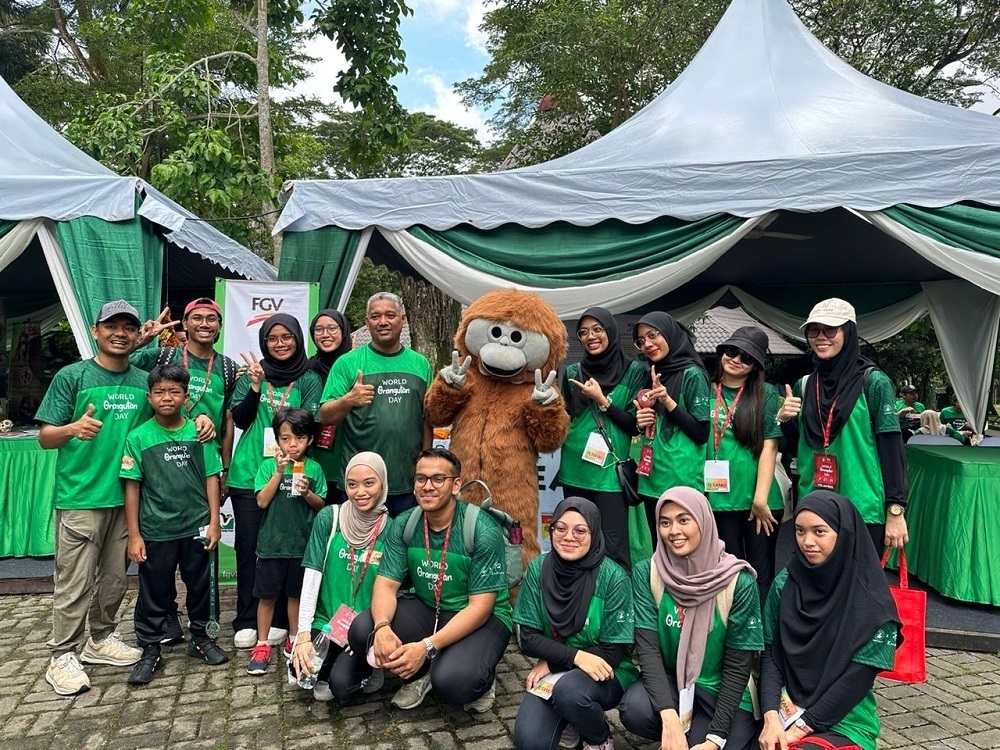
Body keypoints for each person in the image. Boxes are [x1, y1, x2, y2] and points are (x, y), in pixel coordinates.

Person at [36, 300, 151, 695]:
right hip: (81, 497)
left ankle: (100, 639)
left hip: (126, 499)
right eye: (111, 326)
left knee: (116, 580)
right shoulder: (72, 376)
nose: (120, 332)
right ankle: (62, 656)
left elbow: (166, 418)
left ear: (137, 335)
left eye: (128, 327)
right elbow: (44, 437)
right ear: (95, 330)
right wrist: (72, 428)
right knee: (74, 582)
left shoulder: (142, 380)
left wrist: (201, 418)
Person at [347, 447, 512, 713]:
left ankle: (482, 678)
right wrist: (382, 627)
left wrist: (426, 645)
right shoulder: (404, 524)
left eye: (438, 479)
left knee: (455, 683)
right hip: (429, 607)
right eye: (420, 479)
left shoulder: (481, 528)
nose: (427, 486)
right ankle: (419, 675)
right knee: (361, 631)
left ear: (456, 484)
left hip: (479, 615)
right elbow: (386, 585)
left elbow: (480, 607)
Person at [130, 297, 240, 645]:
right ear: (185, 323)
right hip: (163, 459)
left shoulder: (227, 368)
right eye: (197, 318)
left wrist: (224, 469)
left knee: (195, 556)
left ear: (220, 327)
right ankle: (165, 620)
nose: (204, 324)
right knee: (161, 556)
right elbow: (123, 362)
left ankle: (199, 628)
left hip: (203, 462)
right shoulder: (163, 356)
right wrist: (143, 340)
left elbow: (227, 421)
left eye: (212, 319)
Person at [619, 486, 761, 750]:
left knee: (715, 743)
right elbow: (647, 650)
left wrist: (715, 737)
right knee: (634, 708)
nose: (674, 531)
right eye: (665, 522)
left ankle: (711, 731)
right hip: (675, 683)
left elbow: (738, 665)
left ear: (704, 521)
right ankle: (680, 730)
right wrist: (669, 718)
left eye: (684, 520)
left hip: (723, 689)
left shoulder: (737, 582)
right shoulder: (648, 573)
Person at [758, 491, 901, 750]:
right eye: (800, 531)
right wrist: (770, 716)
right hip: (783, 708)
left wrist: (800, 729)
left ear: (844, 532)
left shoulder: (874, 606)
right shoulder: (785, 583)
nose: (807, 542)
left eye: (819, 532)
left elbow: (857, 679)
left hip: (844, 721)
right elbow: (770, 653)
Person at [121, 365, 228, 684]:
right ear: (150, 397)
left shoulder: (200, 432)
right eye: (159, 392)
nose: (167, 397)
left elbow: (212, 478)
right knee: (154, 590)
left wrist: (214, 522)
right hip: (156, 530)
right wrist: (135, 535)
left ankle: (201, 638)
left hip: (196, 527)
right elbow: (131, 487)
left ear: (186, 396)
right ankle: (150, 650)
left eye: (174, 391)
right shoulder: (137, 437)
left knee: (201, 587)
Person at [776, 298, 908, 551]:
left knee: (859, 586)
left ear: (848, 332)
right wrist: (784, 420)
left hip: (862, 506)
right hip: (814, 505)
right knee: (816, 583)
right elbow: (797, 448)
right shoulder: (805, 385)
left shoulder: (874, 382)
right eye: (814, 330)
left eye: (830, 330)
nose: (821, 337)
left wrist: (895, 509)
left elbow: (892, 449)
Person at [227, 314, 323, 650]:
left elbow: (311, 420)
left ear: (298, 339)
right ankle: (246, 619)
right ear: (263, 341)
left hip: (292, 475)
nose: (280, 343)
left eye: (287, 337)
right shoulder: (254, 373)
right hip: (250, 473)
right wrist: (254, 385)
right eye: (272, 338)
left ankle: (282, 620)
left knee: (287, 550)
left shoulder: (309, 378)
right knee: (250, 549)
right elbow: (240, 419)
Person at [512, 497, 636, 750]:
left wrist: (553, 659)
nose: (569, 537)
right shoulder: (538, 568)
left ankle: (598, 738)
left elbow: (612, 652)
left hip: (607, 671)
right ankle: (571, 718)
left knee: (570, 692)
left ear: (594, 532)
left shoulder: (613, 577)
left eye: (580, 530)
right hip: (561, 668)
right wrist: (574, 657)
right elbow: (527, 637)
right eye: (560, 528)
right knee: (529, 743)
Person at [319, 292, 433, 517]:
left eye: (390, 315)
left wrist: (426, 461)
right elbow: (325, 415)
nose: (383, 322)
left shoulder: (420, 364)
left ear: (403, 319)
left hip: (407, 482)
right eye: (375, 316)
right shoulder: (347, 363)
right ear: (366, 322)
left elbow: (427, 419)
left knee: (403, 548)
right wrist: (349, 399)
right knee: (359, 549)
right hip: (360, 485)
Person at [292, 451, 391, 702]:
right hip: (327, 622)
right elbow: (312, 576)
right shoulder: (330, 518)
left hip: (364, 625)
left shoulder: (392, 529)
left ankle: (370, 664)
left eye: (369, 483)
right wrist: (302, 635)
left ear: (382, 483)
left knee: (341, 686)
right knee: (299, 673)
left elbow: (393, 589)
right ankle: (341, 662)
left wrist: (366, 632)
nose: (360, 492)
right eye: (352, 484)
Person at [557, 307, 646, 571]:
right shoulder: (574, 370)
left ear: (610, 331)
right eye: (583, 332)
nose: (590, 336)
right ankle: (580, 600)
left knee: (614, 547)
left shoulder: (634, 371)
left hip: (609, 474)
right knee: (576, 541)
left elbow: (633, 426)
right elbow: (566, 417)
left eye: (597, 329)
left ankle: (614, 606)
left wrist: (602, 401)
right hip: (574, 467)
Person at [247, 408, 327, 675]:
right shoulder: (268, 465)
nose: (292, 445)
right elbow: (261, 501)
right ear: (276, 440)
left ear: (310, 440)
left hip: (301, 547)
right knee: (267, 597)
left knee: (295, 595)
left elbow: (321, 506)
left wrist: (307, 493)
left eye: (299, 438)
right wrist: (279, 472)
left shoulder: (314, 468)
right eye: (285, 439)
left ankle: (294, 638)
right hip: (271, 546)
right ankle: (262, 643)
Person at [706, 327, 784, 591]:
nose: (736, 359)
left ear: (755, 366)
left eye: (747, 357)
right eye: (731, 351)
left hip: (759, 502)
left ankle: (762, 631)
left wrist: (760, 499)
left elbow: (770, 446)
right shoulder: (704, 390)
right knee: (727, 574)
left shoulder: (766, 393)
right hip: (718, 499)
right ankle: (735, 630)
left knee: (761, 576)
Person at [632, 313, 711, 540]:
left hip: (681, 480)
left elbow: (700, 433)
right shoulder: (656, 373)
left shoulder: (693, 373)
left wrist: (668, 401)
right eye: (641, 341)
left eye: (653, 335)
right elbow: (653, 425)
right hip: (651, 477)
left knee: (683, 549)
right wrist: (641, 421)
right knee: (659, 549)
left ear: (669, 333)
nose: (647, 344)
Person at [306, 309, 352, 498]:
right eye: (319, 329)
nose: (325, 334)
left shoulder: (355, 366)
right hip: (315, 458)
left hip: (349, 455)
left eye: (332, 328)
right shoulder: (306, 368)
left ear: (343, 331)